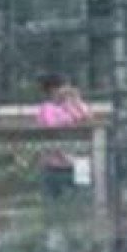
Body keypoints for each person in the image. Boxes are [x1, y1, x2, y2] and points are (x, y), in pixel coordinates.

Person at [33, 73, 91, 202]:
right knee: (55, 200)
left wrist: (76, 101)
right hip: (55, 162)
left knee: (82, 197)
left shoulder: (70, 106)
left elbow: (86, 119)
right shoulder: (46, 108)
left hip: (77, 160)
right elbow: (51, 129)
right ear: (54, 90)